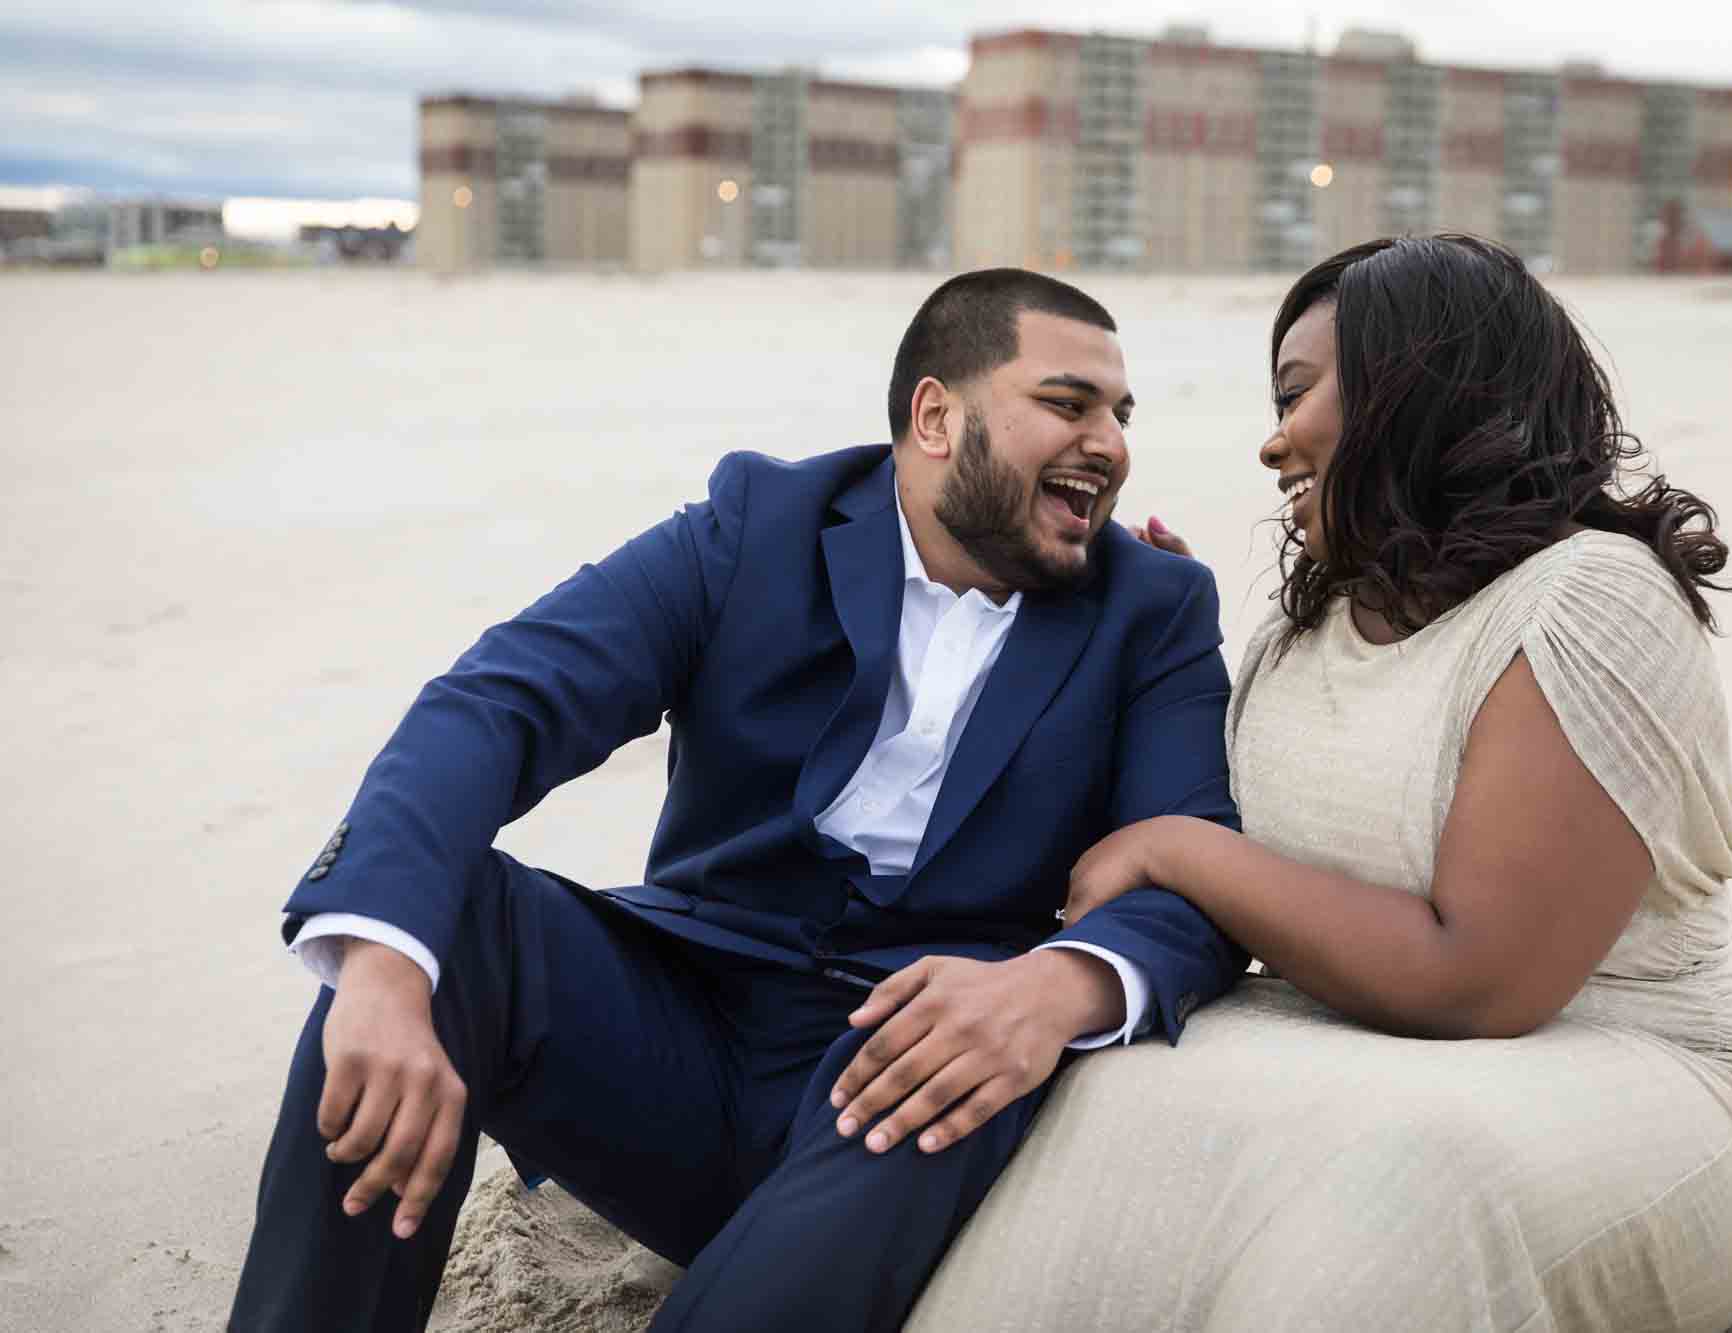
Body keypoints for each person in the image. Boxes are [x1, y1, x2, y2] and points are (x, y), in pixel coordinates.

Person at [227, 268, 1247, 1333]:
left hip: (911, 1064)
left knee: (941, 1070)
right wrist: (383, 971)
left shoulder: (1153, 607)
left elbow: (1189, 868)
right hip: (678, 1029)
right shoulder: (760, 524)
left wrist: (1053, 990)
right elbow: (498, 703)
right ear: (936, 416)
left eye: (1120, 415)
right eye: (1068, 403)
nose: (1110, 443)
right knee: (451, 923)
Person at [905, 236, 1732, 1333]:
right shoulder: (1309, 623)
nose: (1271, 438)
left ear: (1420, 388)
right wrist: (1119, 643)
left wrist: (1178, 851)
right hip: (1324, 1039)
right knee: (1062, 1100)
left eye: (1298, 392)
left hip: (1614, 1061)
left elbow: (1481, 980)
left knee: (1403, 1189)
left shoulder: (1589, 597)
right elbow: (1230, 847)